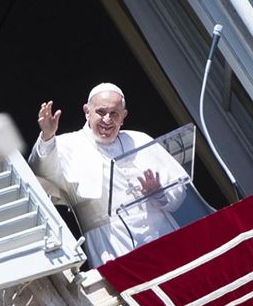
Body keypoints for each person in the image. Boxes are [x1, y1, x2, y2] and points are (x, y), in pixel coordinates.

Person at [28, 83, 187, 268]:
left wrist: (160, 192)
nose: (107, 119)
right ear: (87, 112)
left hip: (162, 234)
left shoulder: (140, 140)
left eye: (114, 114)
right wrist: (47, 136)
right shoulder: (67, 145)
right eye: (101, 112)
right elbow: (41, 172)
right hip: (112, 244)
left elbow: (179, 189)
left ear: (123, 117)